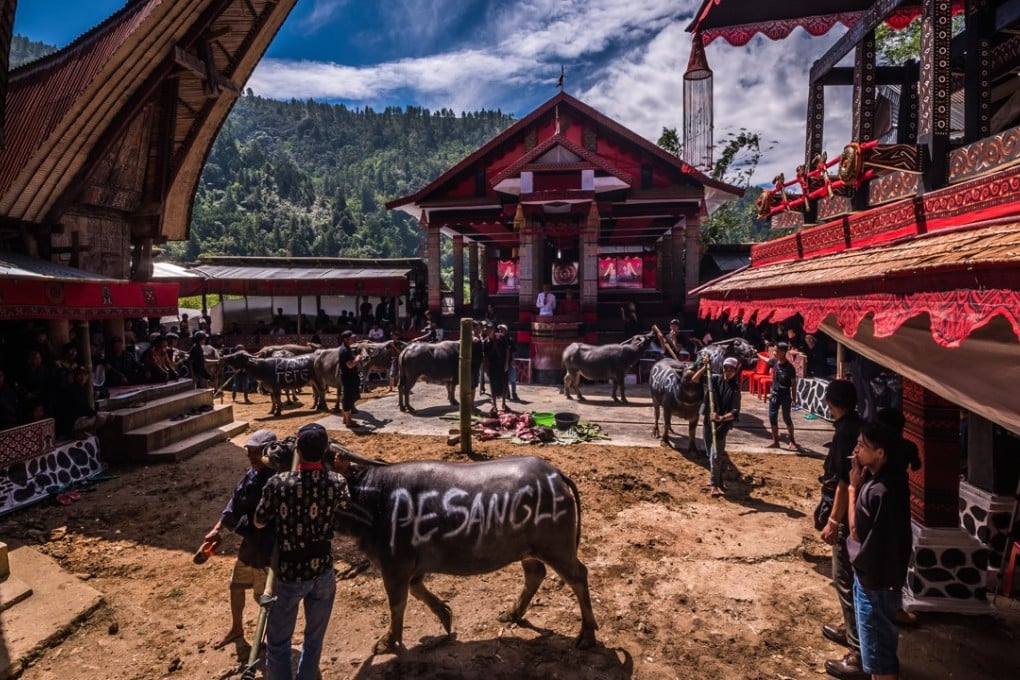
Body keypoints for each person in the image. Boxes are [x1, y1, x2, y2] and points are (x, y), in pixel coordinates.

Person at [254, 423, 349, 680]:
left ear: (297, 448)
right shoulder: (337, 483)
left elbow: (259, 521)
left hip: (289, 576)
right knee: (314, 640)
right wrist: (339, 471)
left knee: (278, 643)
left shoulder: (278, 483)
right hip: (323, 573)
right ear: (326, 450)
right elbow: (344, 503)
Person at [847, 421, 915, 680]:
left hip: (875, 582)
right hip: (878, 577)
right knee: (878, 649)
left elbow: (855, 530)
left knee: (880, 659)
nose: (856, 450)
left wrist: (853, 488)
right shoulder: (891, 480)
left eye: (862, 445)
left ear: (880, 453)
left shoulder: (879, 491)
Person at [205, 429, 277, 649]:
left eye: (255, 453)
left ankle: (271, 638)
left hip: (267, 549)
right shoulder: (252, 475)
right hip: (249, 546)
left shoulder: (275, 482)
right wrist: (217, 529)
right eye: (249, 452)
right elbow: (234, 503)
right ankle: (237, 628)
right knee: (236, 586)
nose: (250, 456)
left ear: (268, 452)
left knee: (262, 597)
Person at [819, 379, 866, 680]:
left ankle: (858, 651)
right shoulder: (857, 426)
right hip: (860, 512)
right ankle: (850, 628)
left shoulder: (844, 434)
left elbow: (844, 482)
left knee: (844, 576)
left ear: (831, 403)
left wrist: (834, 521)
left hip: (849, 515)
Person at [694, 356, 741, 497]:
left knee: (715, 455)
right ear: (723, 368)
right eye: (726, 368)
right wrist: (705, 366)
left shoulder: (735, 389)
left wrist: (720, 418)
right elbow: (695, 379)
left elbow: (735, 412)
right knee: (711, 454)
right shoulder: (713, 379)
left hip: (722, 426)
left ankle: (714, 484)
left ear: (736, 371)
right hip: (709, 422)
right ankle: (719, 479)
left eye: (731, 369)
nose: (728, 371)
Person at [766, 341, 798, 449]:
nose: (774, 352)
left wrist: (794, 398)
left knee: (786, 418)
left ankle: (792, 440)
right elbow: (767, 360)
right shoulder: (774, 361)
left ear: (783, 352)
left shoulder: (790, 368)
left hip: (785, 395)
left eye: (776, 350)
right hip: (774, 394)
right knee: (772, 417)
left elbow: (793, 384)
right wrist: (756, 354)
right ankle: (775, 441)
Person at [482, 321, 510, 412]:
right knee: (493, 385)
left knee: (504, 384)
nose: (486, 330)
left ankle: (503, 403)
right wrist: (486, 368)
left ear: (493, 329)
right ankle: (494, 404)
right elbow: (485, 356)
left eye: (489, 328)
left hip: (502, 365)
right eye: (486, 328)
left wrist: (506, 363)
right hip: (492, 366)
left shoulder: (501, 337)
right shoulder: (486, 341)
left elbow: (507, 350)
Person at [338, 330, 361, 428]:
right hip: (348, 377)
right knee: (348, 398)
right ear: (346, 339)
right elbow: (350, 365)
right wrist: (357, 359)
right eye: (351, 338)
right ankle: (349, 422)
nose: (353, 339)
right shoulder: (345, 350)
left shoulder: (346, 348)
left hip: (348, 376)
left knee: (347, 397)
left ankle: (345, 418)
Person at [499, 324, 520, 401]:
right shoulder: (498, 339)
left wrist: (513, 361)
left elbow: (513, 351)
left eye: (503, 329)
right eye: (500, 330)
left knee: (513, 379)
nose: (501, 331)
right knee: (505, 379)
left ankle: (514, 393)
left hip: (510, 361)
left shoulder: (510, 339)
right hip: (501, 362)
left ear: (506, 330)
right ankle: (507, 393)